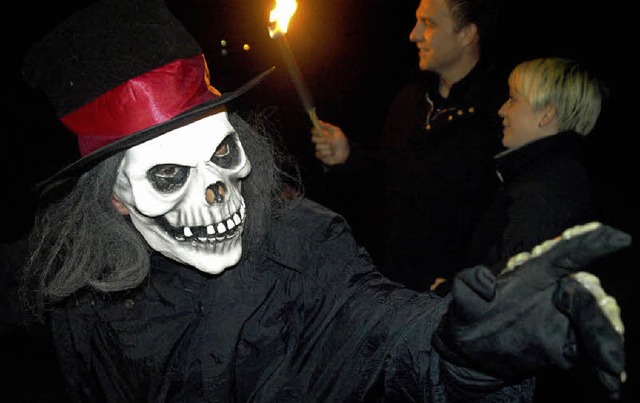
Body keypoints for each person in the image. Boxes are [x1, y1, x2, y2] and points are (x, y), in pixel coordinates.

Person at [8, 0, 630, 401]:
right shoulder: (77, 294)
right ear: (113, 201)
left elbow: (383, 330)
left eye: (224, 155)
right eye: (169, 176)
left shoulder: (300, 246)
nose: (217, 193)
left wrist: (470, 349)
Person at [311, 0, 506, 292]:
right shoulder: (410, 101)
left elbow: (501, 215)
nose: (413, 34)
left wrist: (458, 284)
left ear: (466, 34)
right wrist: (348, 157)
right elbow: (388, 183)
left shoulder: (500, 112)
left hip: (459, 299)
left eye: (428, 24)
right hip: (396, 288)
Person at [466, 57, 612, 401]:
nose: (502, 110)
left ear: (546, 114)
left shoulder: (545, 192)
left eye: (514, 98)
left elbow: (509, 306)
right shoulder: (548, 177)